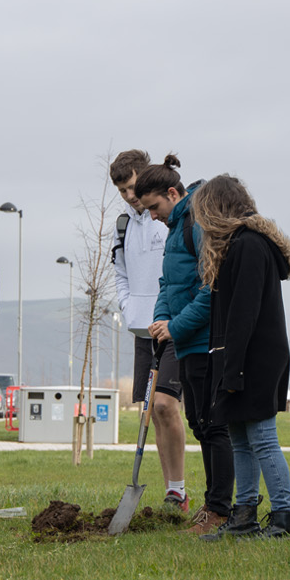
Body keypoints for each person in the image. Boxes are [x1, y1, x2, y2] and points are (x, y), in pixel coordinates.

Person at [190, 174, 290, 539]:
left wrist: (232, 369)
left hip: (256, 358)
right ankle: (244, 516)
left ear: (216, 208)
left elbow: (243, 314)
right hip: (238, 357)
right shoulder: (237, 246)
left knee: (263, 437)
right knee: (240, 438)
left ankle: (284, 518)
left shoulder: (249, 246)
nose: (201, 221)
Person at [138, 156, 235, 537]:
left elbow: (210, 289)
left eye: (155, 207)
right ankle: (212, 507)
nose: (153, 216)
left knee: (214, 427)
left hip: (203, 341)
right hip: (183, 341)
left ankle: (220, 509)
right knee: (197, 423)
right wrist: (160, 320)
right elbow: (168, 286)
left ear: (173, 193)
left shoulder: (196, 224)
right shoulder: (175, 228)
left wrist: (176, 326)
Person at [109, 150, 188, 514]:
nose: (129, 197)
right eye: (122, 191)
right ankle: (172, 493)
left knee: (165, 404)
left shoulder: (167, 216)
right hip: (143, 328)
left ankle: (179, 488)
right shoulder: (123, 224)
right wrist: (129, 307)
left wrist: (174, 315)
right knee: (152, 412)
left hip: (173, 324)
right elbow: (121, 272)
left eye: (131, 188)